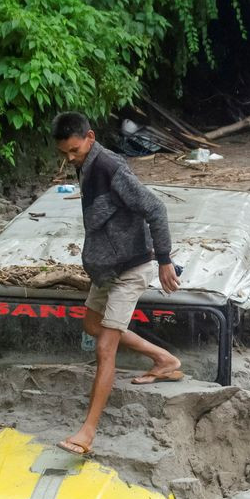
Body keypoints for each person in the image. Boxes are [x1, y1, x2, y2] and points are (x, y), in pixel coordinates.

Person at [51, 112, 183, 456]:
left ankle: (86, 433)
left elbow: (155, 208)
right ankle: (164, 360)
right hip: (107, 268)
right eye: (64, 153)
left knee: (105, 347)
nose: (70, 158)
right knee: (93, 324)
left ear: (90, 138)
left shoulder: (111, 166)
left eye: (75, 151)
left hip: (131, 266)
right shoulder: (85, 164)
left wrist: (165, 259)